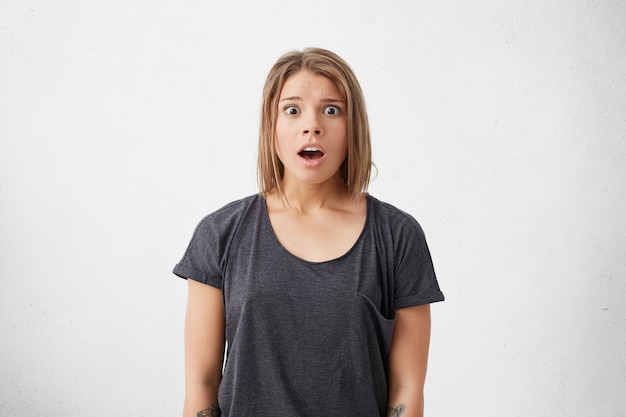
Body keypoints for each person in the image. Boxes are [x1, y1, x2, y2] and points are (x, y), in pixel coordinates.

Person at [173, 47, 444, 417]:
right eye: (292, 109)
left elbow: (407, 389)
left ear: (353, 127)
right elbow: (201, 385)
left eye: (331, 110)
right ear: (272, 125)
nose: (312, 125)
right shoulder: (220, 233)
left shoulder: (397, 236)